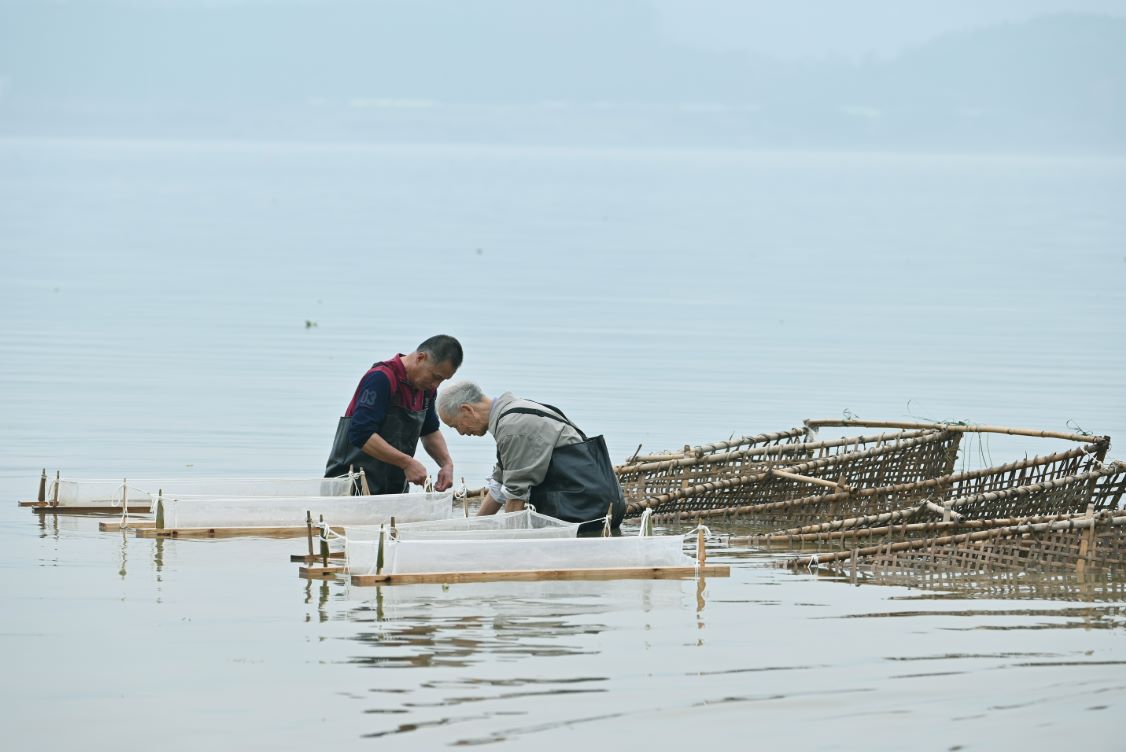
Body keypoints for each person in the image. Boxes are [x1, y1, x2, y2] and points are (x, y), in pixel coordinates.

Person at [436, 380, 626, 530]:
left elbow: (515, 495)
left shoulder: (512, 427)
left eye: (456, 425)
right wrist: (474, 531)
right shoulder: (509, 414)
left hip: (588, 508)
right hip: (597, 501)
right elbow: (499, 486)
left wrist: (512, 547)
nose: (460, 432)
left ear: (467, 410)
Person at [325, 335, 462, 495]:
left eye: (442, 380)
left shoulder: (426, 391)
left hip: (392, 491)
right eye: (435, 376)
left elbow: (429, 430)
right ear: (420, 358)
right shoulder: (381, 379)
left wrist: (446, 463)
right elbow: (361, 434)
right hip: (350, 488)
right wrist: (406, 463)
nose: (435, 385)